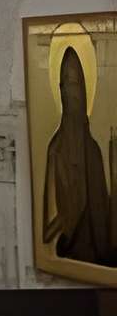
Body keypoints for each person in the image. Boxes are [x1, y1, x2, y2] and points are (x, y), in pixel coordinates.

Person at [42, 44, 113, 266]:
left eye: (74, 84)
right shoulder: (56, 149)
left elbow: (103, 217)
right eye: (64, 85)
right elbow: (48, 227)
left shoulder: (92, 150)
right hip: (68, 249)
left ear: (84, 89)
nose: (69, 92)